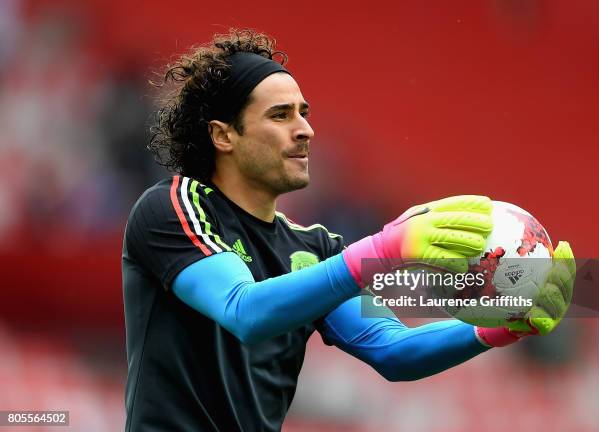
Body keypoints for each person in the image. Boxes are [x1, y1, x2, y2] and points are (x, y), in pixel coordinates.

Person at [122, 29, 575, 432]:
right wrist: (382, 249)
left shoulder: (313, 246)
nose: (306, 130)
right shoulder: (173, 207)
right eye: (280, 116)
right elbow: (244, 311)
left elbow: (394, 351)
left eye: (304, 113)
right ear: (224, 136)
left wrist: (503, 328)